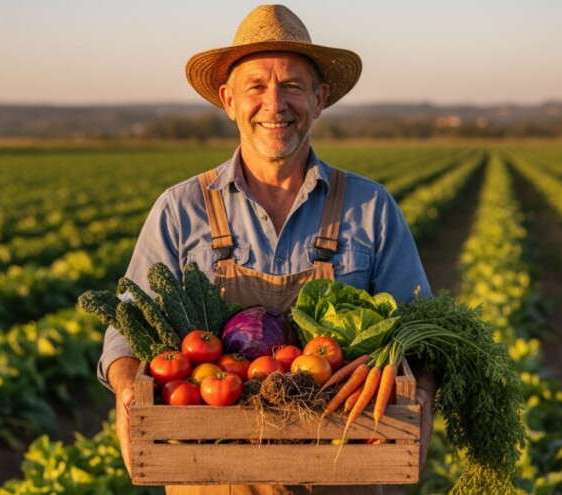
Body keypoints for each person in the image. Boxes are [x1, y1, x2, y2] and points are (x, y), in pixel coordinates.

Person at [97, 5, 436, 495]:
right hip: (212, 478)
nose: (274, 103)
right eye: (256, 85)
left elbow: (421, 331)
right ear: (228, 99)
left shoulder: (371, 208)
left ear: (320, 100)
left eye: (293, 86)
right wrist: (128, 385)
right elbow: (125, 330)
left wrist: (421, 391)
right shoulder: (179, 209)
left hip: (343, 475)